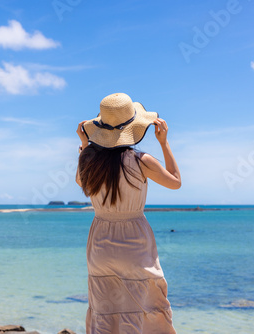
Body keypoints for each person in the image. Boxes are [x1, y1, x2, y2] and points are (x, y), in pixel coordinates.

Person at [76, 92, 181, 333]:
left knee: (106, 309)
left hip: (100, 243)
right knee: (144, 308)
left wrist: (84, 146)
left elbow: (82, 183)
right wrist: (164, 143)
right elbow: (175, 182)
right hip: (134, 241)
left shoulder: (87, 161)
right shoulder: (141, 160)